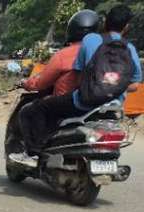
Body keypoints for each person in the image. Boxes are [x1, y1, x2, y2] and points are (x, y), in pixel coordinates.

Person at [15, 4, 142, 160]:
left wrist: (97, 86)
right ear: (126, 26)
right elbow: (135, 85)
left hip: (84, 102)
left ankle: (33, 154)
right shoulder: (130, 48)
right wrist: (113, 85)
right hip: (113, 107)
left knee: (36, 109)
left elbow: (78, 76)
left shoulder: (90, 40)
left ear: (105, 22)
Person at [14, 9, 100, 164]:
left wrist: (27, 83)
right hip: (99, 102)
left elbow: (42, 82)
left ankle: (33, 153)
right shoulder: (103, 51)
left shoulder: (65, 54)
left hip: (71, 102)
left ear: (72, 30)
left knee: (28, 111)